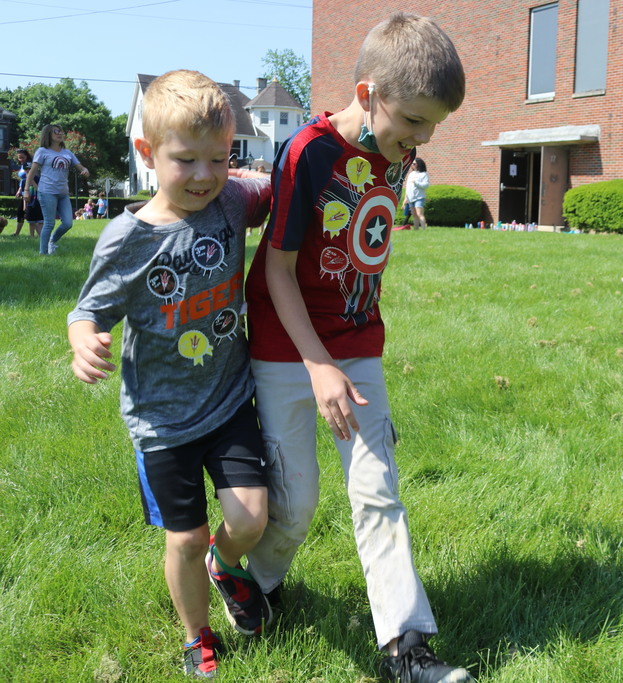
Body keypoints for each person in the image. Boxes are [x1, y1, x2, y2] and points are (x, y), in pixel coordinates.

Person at [244, 13, 474, 683]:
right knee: (293, 506)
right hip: (287, 346)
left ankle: (408, 649)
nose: (422, 139)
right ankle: (250, 579)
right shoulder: (309, 152)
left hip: (357, 344)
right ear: (368, 91)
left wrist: (347, 364)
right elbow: (278, 271)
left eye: (434, 126)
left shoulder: (396, 153)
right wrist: (318, 366)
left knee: (378, 491)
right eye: (412, 121)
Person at [66, 70, 273, 679]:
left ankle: (226, 564)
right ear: (147, 152)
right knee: (182, 538)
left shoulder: (232, 199)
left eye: (220, 158)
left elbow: (278, 184)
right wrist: (85, 342)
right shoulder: (126, 240)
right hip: (161, 422)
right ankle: (196, 634)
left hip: (230, 399)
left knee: (251, 519)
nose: (207, 175)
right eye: (187, 160)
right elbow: (87, 310)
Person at [27, 124, 90, 255]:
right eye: (56, 132)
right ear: (48, 135)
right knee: (49, 223)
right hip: (47, 191)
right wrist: (26, 190)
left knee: (68, 223)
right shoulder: (42, 151)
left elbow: (80, 167)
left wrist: (85, 170)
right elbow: (32, 172)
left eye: (61, 131)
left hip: (63, 193)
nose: (60, 134)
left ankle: (52, 241)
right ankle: (43, 253)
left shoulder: (67, 153)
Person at [404, 157, 430, 229]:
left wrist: (416, 183)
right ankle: (416, 229)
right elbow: (407, 186)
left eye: (414, 163)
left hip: (419, 197)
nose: (412, 165)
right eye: (412, 163)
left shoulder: (424, 174)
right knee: (414, 215)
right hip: (410, 198)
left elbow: (426, 185)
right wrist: (406, 198)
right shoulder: (411, 174)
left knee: (419, 214)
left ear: (419, 164)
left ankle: (424, 229)